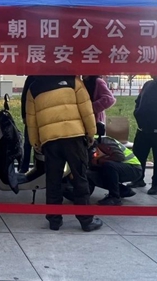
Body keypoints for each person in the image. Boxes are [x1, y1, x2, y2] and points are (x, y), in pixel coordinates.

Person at [26, 75, 102, 232]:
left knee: (53, 180)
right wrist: (91, 132)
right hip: (74, 137)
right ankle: (86, 220)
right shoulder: (74, 81)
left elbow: (31, 120)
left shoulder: (34, 87)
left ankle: (54, 220)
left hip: (50, 140)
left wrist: (35, 142)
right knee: (80, 177)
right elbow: (86, 109)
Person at [89, 122, 142, 206]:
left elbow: (119, 157)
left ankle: (114, 197)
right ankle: (122, 190)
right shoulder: (93, 140)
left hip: (133, 168)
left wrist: (99, 161)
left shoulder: (104, 141)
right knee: (92, 172)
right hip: (122, 167)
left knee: (108, 166)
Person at [19, 75, 36, 173]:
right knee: (28, 143)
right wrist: (24, 116)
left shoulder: (31, 78)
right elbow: (24, 98)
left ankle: (30, 166)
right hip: (31, 115)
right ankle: (25, 166)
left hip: (37, 115)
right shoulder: (31, 78)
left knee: (29, 143)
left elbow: (23, 98)